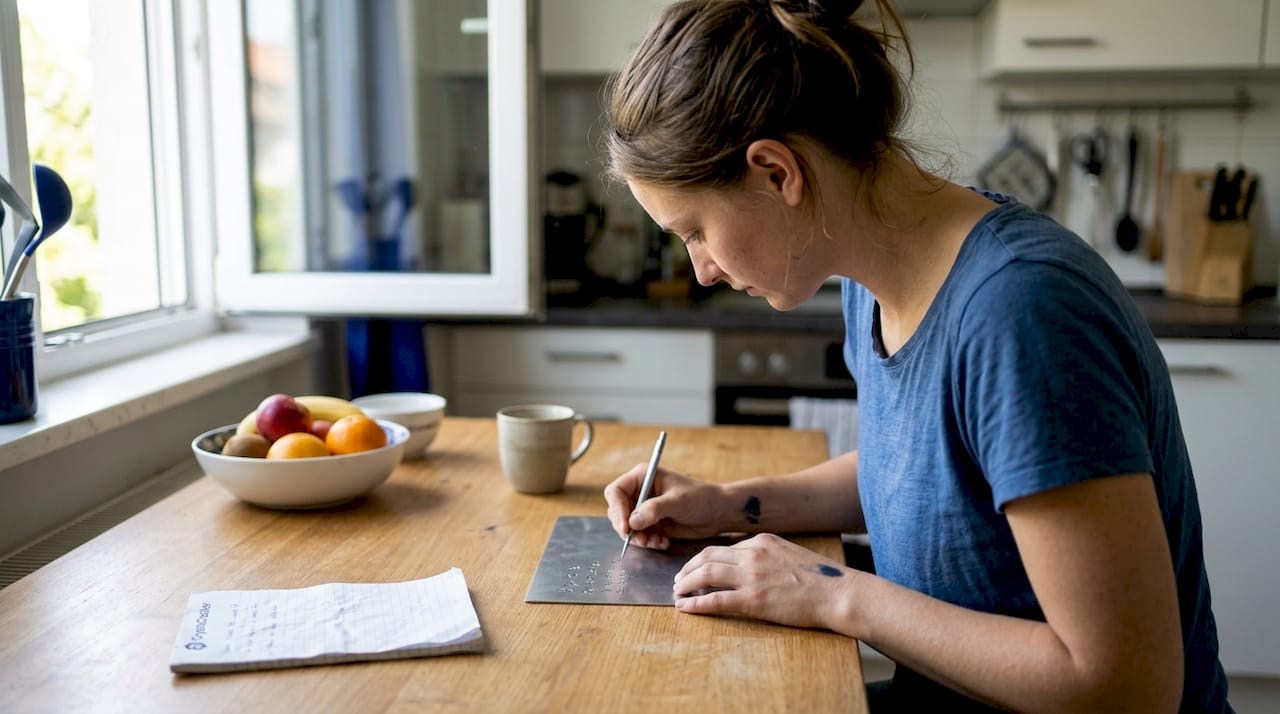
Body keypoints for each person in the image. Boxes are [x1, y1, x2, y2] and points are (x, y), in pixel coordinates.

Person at [599, 0, 1233, 711]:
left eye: (695, 231)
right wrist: (734, 505)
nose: (702, 271)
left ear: (777, 173)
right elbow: (929, 471)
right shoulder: (869, 283)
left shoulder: (1023, 312)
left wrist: (833, 596)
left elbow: (1127, 686)